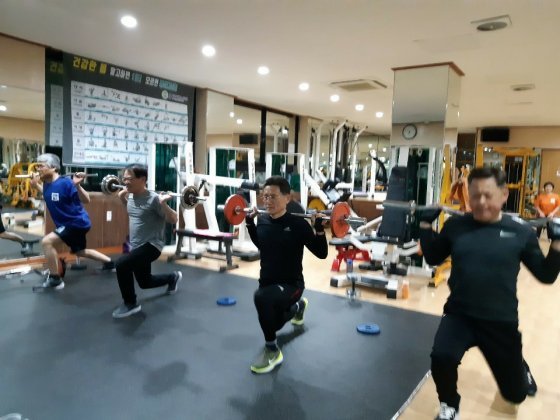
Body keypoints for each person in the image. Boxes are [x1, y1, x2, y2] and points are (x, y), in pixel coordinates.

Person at [418, 167, 560, 420]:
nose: (481, 202)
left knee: (515, 395)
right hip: (459, 314)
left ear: (504, 194)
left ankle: (520, 367)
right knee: (441, 356)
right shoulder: (456, 226)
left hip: (500, 320)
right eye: (475, 196)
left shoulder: (521, 232)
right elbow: (433, 257)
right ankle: (449, 404)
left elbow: (546, 275)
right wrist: (426, 225)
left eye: (488, 195)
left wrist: (558, 243)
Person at [245, 176, 328, 374]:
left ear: (287, 198)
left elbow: (322, 253)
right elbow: (261, 244)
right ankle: (298, 307)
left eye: (273, 196)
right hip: (268, 283)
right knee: (272, 323)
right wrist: (249, 223)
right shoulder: (263, 220)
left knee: (261, 299)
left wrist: (319, 229)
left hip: (292, 285)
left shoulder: (298, 224)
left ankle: (272, 350)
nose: (268, 201)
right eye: (265, 197)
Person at [30, 153, 114, 290]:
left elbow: (86, 200)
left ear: (53, 168)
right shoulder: (46, 184)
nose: (38, 169)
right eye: (37, 166)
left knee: (47, 242)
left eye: (41, 166)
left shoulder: (66, 182)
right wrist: (36, 186)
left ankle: (55, 279)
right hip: (70, 224)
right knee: (80, 252)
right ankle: (110, 263)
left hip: (76, 223)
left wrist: (77, 186)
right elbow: (51, 197)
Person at [112, 164, 182, 318]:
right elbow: (133, 211)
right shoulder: (130, 196)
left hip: (152, 245)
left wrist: (163, 204)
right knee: (145, 282)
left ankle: (131, 304)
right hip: (137, 246)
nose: (125, 182)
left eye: (129, 179)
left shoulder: (154, 199)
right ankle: (173, 277)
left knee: (121, 264)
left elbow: (174, 219)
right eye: (124, 179)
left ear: (142, 179)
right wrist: (121, 197)